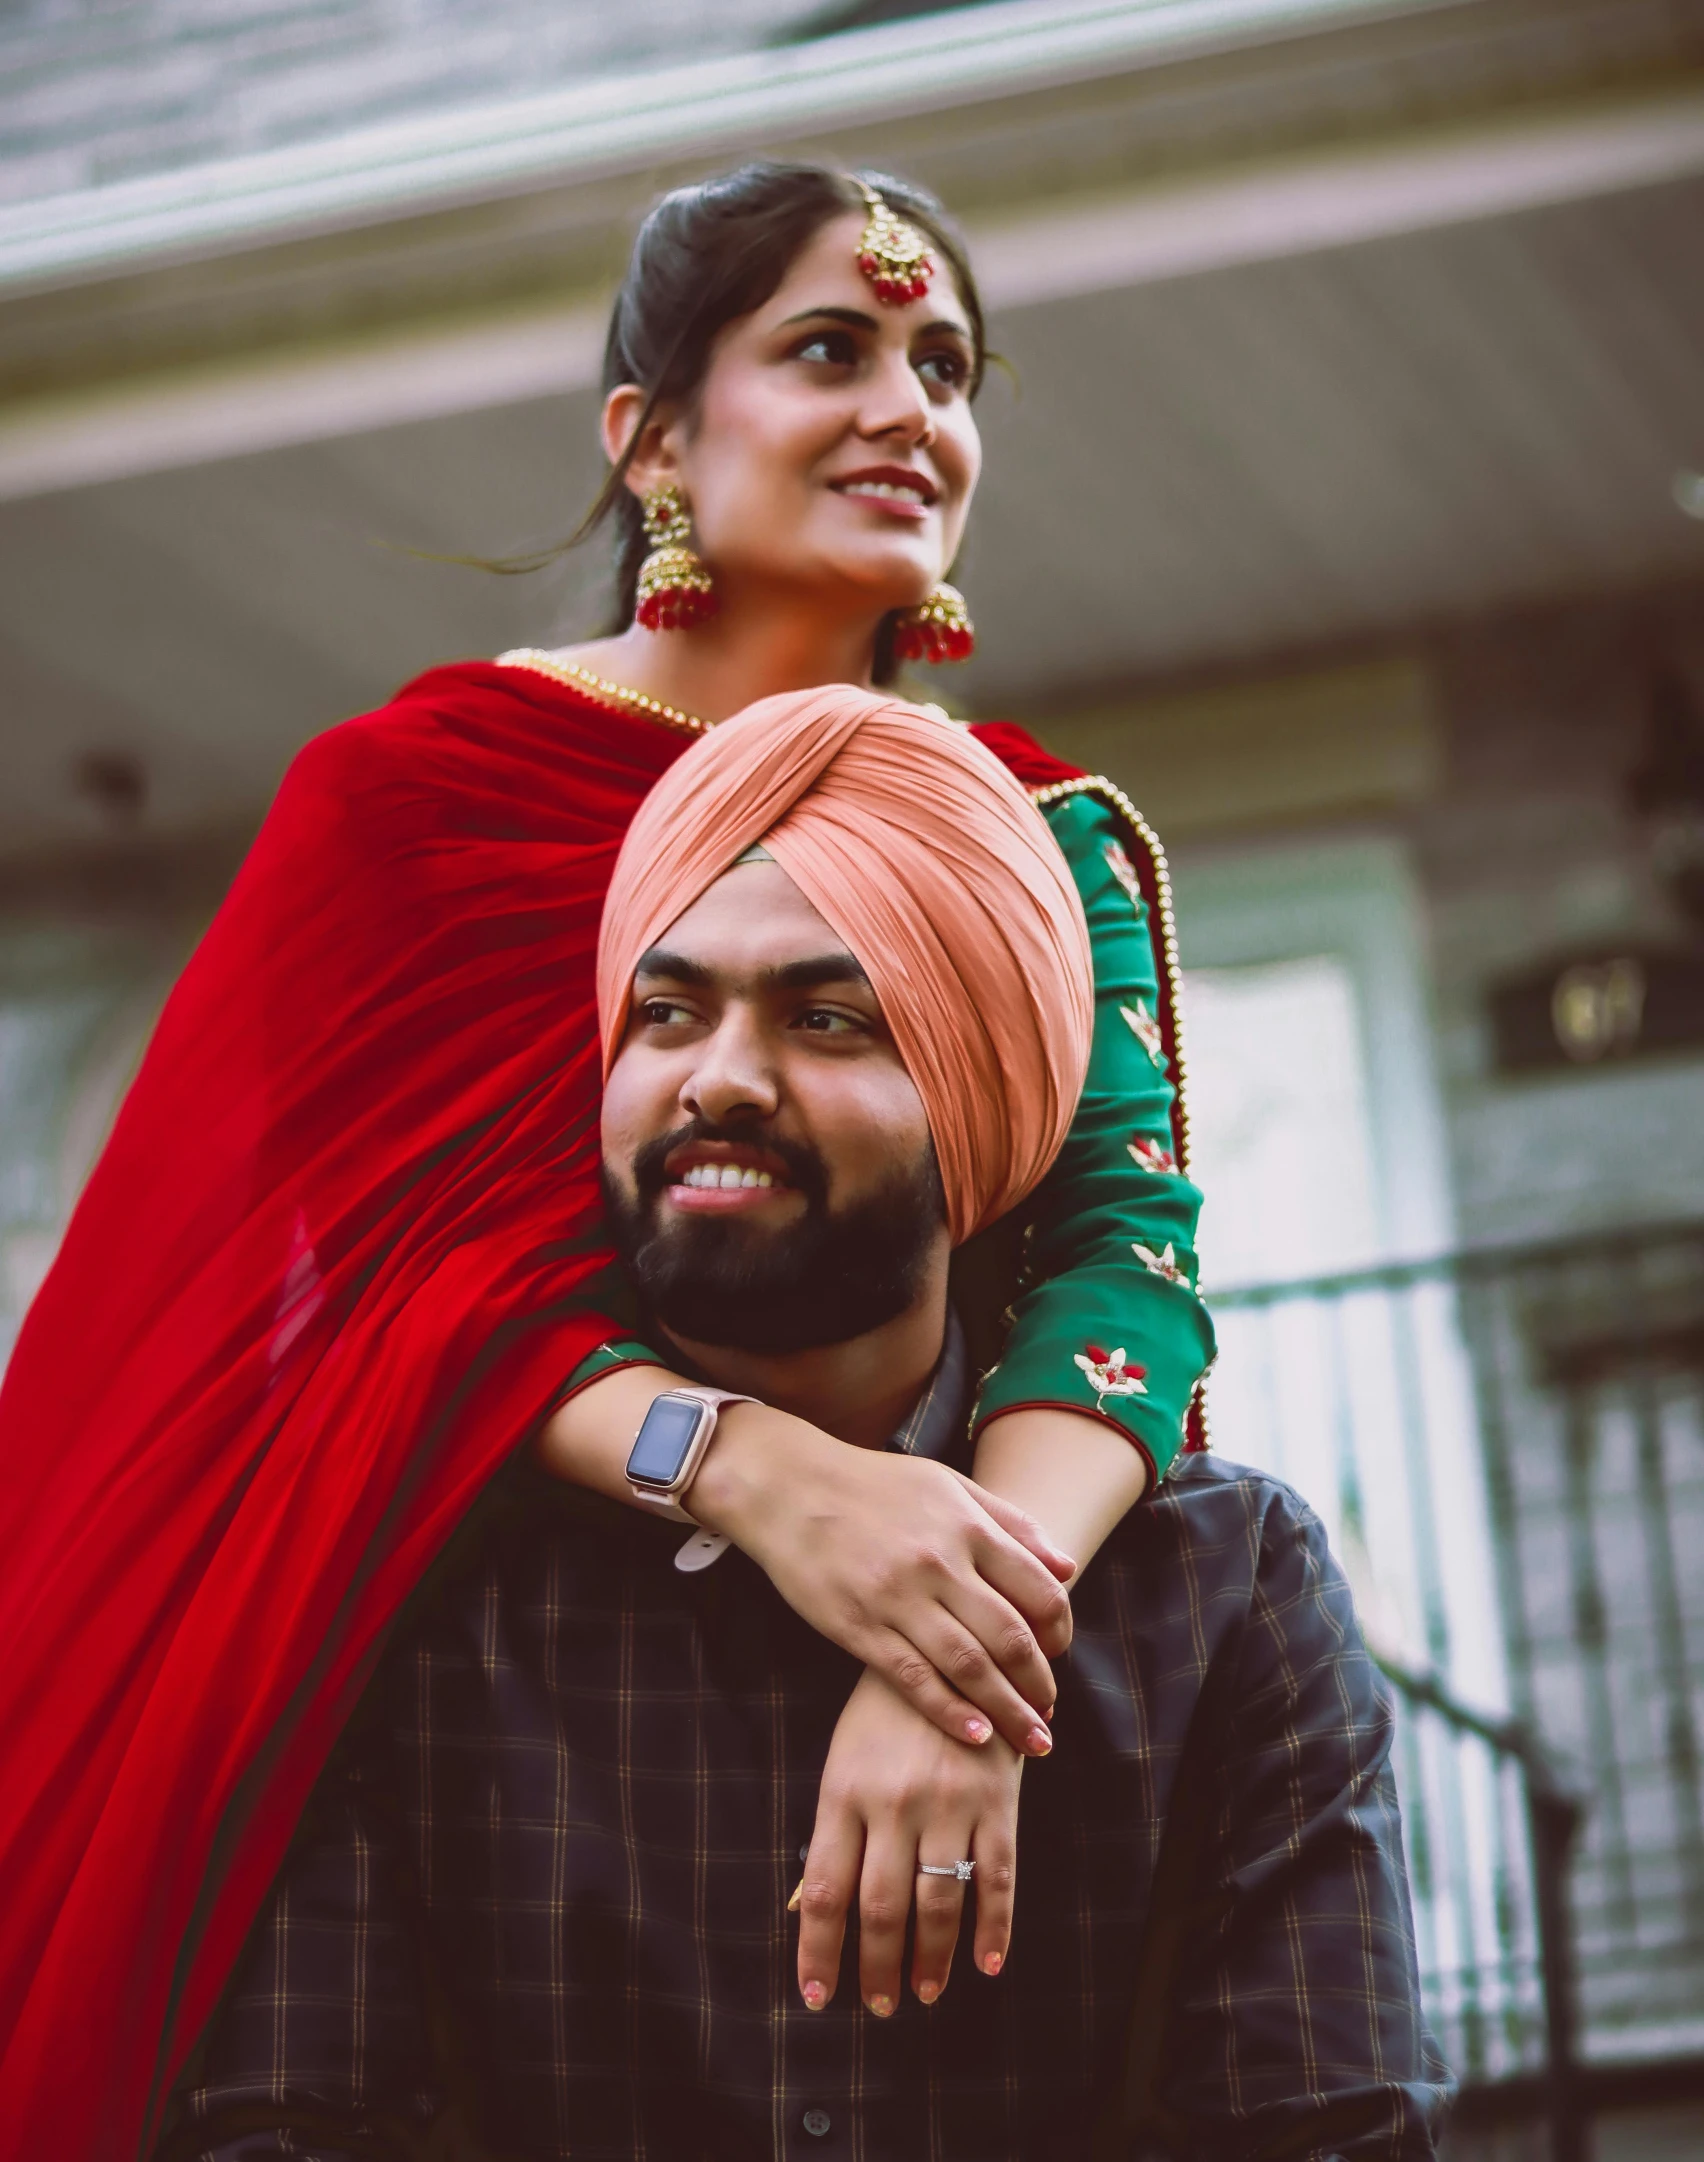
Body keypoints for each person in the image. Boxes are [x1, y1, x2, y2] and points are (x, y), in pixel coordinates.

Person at [0, 166, 1213, 2159]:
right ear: (648, 435)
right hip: (495, 1718)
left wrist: (964, 1643)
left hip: (964, 1748)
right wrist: (758, 1473)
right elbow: (369, 1293)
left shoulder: (1040, 831)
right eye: (831, 349)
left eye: (946, 364)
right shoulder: (415, 811)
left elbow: (1124, 1262)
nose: (910, 408)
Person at [159, 690, 1447, 2161]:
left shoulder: (1224, 1598)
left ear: (985, 1110)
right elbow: (282, 2129)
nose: (718, 1075)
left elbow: (1331, 2134)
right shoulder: (426, 1594)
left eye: (827, 1016)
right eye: (665, 1010)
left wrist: (967, 1665)